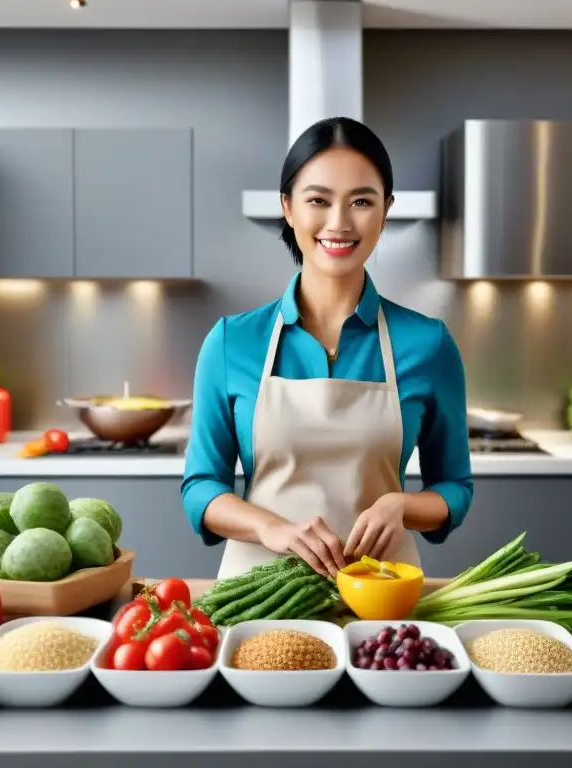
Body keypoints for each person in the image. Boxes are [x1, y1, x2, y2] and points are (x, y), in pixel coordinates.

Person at [181, 116, 473, 580]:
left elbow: (454, 488)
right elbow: (200, 488)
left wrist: (402, 506)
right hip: (260, 598)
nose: (339, 223)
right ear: (288, 207)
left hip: (381, 603)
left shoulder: (429, 343)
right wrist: (268, 526)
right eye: (318, 199)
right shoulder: (230, 342)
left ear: (386, 210)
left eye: (361, 201)